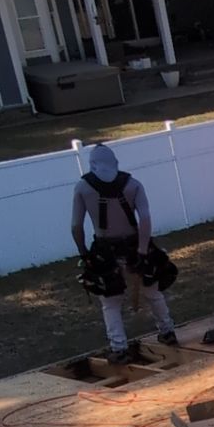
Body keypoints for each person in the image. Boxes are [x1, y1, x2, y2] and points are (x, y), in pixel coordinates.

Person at [71, 143, 179, 362]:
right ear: (115, 163)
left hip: (104, 250)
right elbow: (146, 219)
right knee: (152, 291)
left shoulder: (82, 188)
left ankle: (119, 348)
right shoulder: (133, 185)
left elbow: (76, 226)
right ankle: (167, 332)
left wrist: (84, 253)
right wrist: (142, 250)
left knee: (111, 302)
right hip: (135, 245)